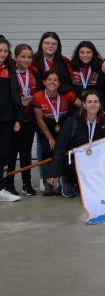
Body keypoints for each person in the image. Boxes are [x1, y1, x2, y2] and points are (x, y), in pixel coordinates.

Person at [47, 90, 105, 198]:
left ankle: (84, 184)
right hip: (76, 162)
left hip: (96, 161)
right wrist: (52, 173)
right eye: (89, 102)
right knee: (71, 167)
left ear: (100, 104)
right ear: (84, 104)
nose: (93, 105)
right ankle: (68, 181)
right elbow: (60, 147)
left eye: (96, 102)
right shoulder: (73, 121)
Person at [33, 70, 81, 196]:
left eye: (55, 80)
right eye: (49, 79)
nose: (52, 82)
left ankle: (60, 180)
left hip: (62, 128)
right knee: (47, 151)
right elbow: (39, 120)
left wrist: (75, 121)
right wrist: (50, 138)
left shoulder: (67, 94)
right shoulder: (38, 96)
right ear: (44, 82)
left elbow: (83, 106)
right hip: (46, 129)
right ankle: (47, 182)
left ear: (59, 83)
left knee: (62, 153)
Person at [6, 44, 37, 196]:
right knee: (12, 153)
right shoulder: (11, 73)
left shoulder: (34, 72)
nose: (26, 60)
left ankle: (27, 183)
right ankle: (9, 184)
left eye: (29, 57)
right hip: (15, 119)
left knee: (26, 153)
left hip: (29, 119)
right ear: (16, 57)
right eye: (23, 56)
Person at [0, 37, 21, 202]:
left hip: (7, 119)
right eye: (0, 51)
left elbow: (14, 96)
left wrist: (16, 118)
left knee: (4, 154)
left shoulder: (9, 70)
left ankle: (2, 188)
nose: (3, 54)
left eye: (6, 51)